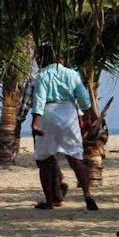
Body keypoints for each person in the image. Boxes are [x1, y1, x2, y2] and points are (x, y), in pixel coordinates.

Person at [30, 46, 98, 211]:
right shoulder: (72, 74)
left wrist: (36, 122)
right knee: (75, 158)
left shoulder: (42, 75)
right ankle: (87, 194)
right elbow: (83, 99)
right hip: (68, 114)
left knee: (45, 159)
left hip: (48, 113)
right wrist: (89, 117)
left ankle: (50, 201)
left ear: (42, 60)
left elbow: (39, 99)